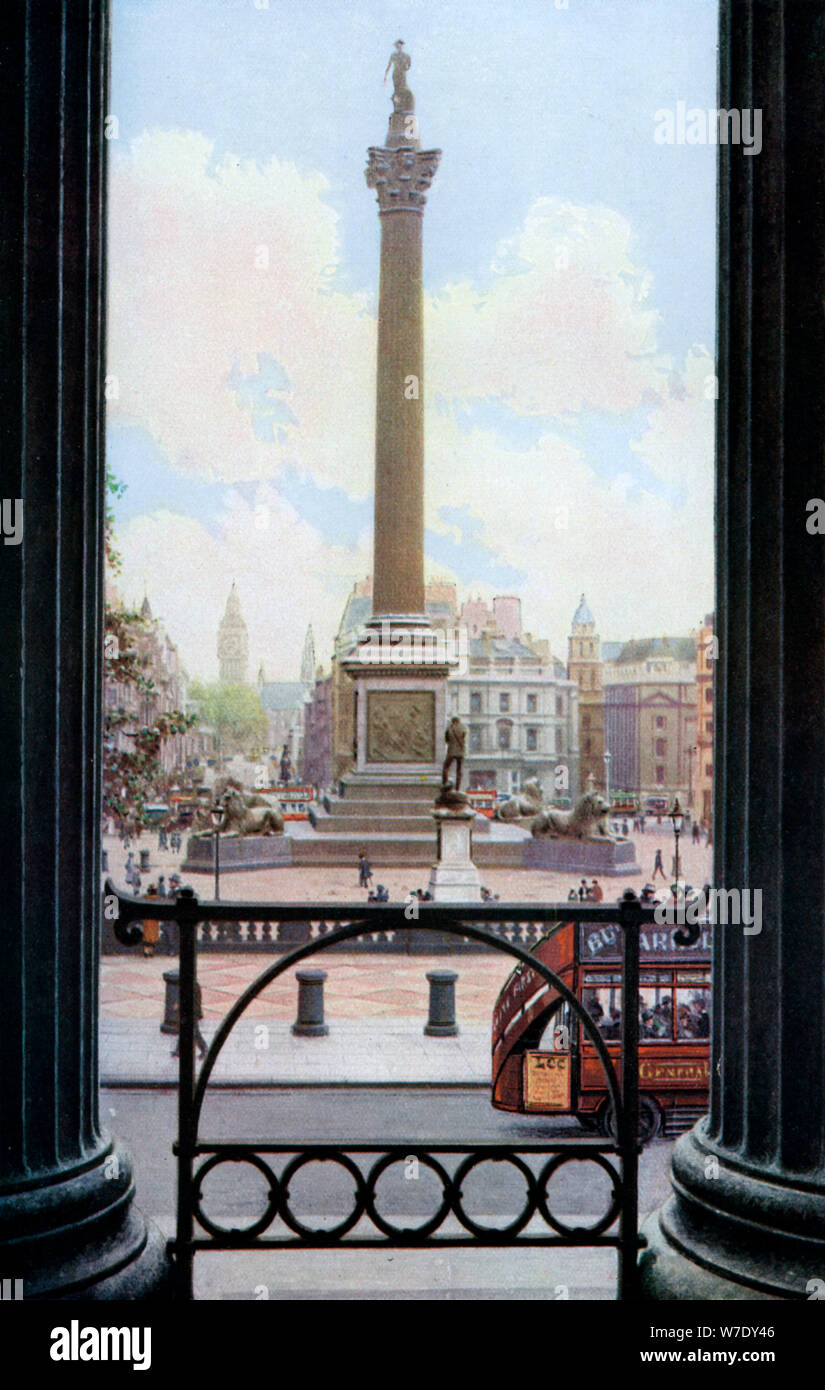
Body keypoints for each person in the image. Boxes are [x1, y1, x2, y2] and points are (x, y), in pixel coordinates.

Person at [170, 979, 208, 1061]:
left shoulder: (193, 985)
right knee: (183, 1030)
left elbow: (189, 998)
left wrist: (179, 1004)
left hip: (191, 1012)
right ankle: (178, 1050)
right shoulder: (190, 983)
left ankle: (204, 1048)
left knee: (195, 1032)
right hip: (188, 1011)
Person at [442, 716, 467, 790]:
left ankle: (445, 783)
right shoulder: (463, 728)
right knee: (459, 771)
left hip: (451, 751)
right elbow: (464, 737)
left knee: (446, 767)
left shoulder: (449, 728)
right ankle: (458, 788)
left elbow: (446, 740)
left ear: (453, 721)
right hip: (461, 752)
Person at [142, 884, 159, 959]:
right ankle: (151, 952)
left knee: (146, 935)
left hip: (147, 919)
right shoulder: (157, 899)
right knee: (153, 936)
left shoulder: (145, 898)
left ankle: (146, 951)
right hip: (154, 920)